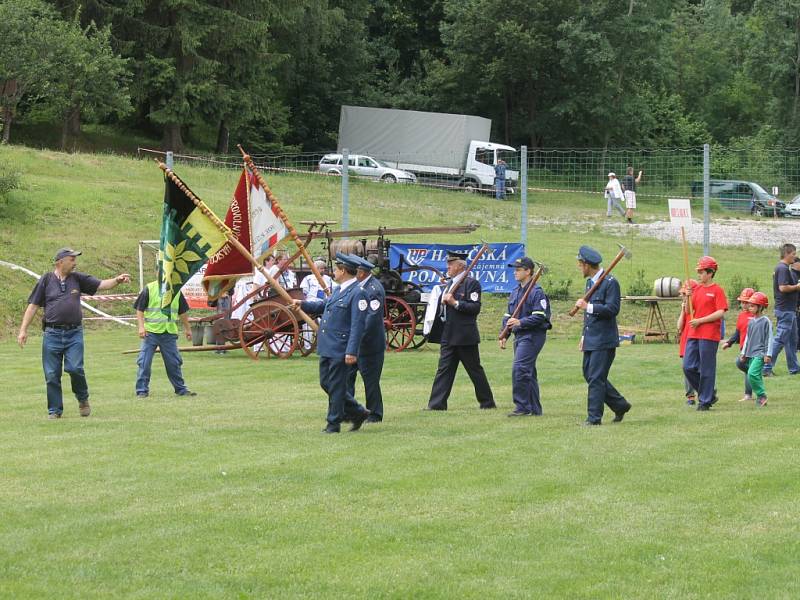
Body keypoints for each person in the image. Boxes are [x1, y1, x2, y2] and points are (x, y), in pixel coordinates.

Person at [17, 248, 131, 418]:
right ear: (60, 262)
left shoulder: (78, 278)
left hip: (74, 334)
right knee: (51, 374)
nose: (75, 262)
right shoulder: (46, 280)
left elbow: (101, 285)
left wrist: (117, 280)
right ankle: (55, 411)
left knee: (75, 368)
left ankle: (82, 398)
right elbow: (33, 305)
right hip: (52, 334)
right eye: (71, 259)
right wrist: (23, 330)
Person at [294, 253, 371, 433]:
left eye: (336, 269)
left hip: (341, 347)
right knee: (326, 383)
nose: (333, 272)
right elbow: (323, 305)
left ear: (343, 271)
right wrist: (302, 304)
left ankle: (333, 423)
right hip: (328, 345)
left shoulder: (358, 293)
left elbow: (357, 326)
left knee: (336, 385)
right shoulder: (339, 290)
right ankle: (358, 411)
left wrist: (352, 351)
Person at [425, 250, 496, 411]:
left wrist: (455, 303)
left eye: (451, 264)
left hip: (464, 336)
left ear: (460, 266)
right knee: (443, 370)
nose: (448, 267)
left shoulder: (471, 284)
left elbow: (474, 308)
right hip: (448, 334)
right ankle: (436, 404)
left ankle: (487, 402)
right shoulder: (449, 284)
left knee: (474, 369)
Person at [573, 245, 631, 425]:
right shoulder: (590, 283)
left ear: (587, 265)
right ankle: (620, 404)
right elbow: (587, 316)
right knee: (589, 375)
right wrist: (584, 336)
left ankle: (594, 418)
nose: (579, 267)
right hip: (591, 338)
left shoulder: (610, 282)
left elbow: (613, 309)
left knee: (596, 379)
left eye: (580, 264)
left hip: (604, 339)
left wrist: (588, 306)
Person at [499, 257, 551, 416]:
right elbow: (508, 316)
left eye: (518, 269)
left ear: (528, 271)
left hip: (533, 336)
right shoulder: (515, 292)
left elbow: (540, 316)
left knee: (520, 368)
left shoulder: (537, 292)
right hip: (519, 336)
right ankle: (535, 409)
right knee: (528, 371)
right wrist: (504, 334)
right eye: (515, 269)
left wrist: (520, 322)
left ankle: (522, 407)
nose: (515, 272)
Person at [134, 281, 196, 398]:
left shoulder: (176, 290)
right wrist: (141, 327)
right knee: (144, 363)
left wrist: (188, 329)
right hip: (150, 333)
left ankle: (181, 389)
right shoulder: (149, 288)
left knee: (173, 363)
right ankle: (142, 391)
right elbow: (139, 309)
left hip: (169, 333)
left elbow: (182, 311)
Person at [682, 256, 728, 411]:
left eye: (702, 271)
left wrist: (701, 321)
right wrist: (688, 296)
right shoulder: (696, 289)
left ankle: (705, 401)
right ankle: (708, 393)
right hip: (694, 332)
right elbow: (689, 311)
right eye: (699, 271)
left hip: (709, 334)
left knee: (707, 368)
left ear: (710, 273)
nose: (699, 274)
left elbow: (721, 312)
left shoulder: (717, 290)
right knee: (687, 366)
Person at [347, 255, 386, 423]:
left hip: (370, 345)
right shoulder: (359, 287)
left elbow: (371, 318)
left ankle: (375, 413)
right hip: (354, 343)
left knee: (370, 380)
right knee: (347, 377)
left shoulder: (374, 289)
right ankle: (349, 410)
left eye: (355, 271)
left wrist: (357, 338)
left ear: (362, 273)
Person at [763, 243, 800, 376]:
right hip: (785, 310)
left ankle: (794, 368)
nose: (794, 257)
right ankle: (766, 368)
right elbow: (783, 288)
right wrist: (797, 286)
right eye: (793, 254)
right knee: (779, 340)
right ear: (786, 254)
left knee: (792, 340)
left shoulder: (783, 268)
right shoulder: (783, 268)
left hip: (789, 310)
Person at [739, 292, 773, 407]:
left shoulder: (766, 321)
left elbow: (769, 338)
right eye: (750, 305)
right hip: (750, 354)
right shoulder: (751, 322)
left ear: (761, 307)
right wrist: (744, 353)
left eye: (753, 305)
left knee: (752, 374)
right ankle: (761, 399)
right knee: (755, 375)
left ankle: (762, 395)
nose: (750, 307)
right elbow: (747, 339)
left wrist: (768, 354)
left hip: (760, 353)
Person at [721, 288, 755, 402]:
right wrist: (728, 343)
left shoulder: (757, 316)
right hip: (743, 349)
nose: (744, 305)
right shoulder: (741, 316)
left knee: (744, 366)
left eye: (746, 302)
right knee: (747, 370)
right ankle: (749, 393)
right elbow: (737, 333)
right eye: (742, 302)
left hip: (754, 349)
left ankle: (750, 393)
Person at [676, 279, 699, 405]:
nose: (682, 296)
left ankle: (704, 393)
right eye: (682, 294)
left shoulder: (697, 308)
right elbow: (679, 327)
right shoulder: (686, 309)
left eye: (685, 294)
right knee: (686, 369)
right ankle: (690, 396)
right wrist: (682, 310)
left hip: (696, 341)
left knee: (698, 369)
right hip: (686, 343)